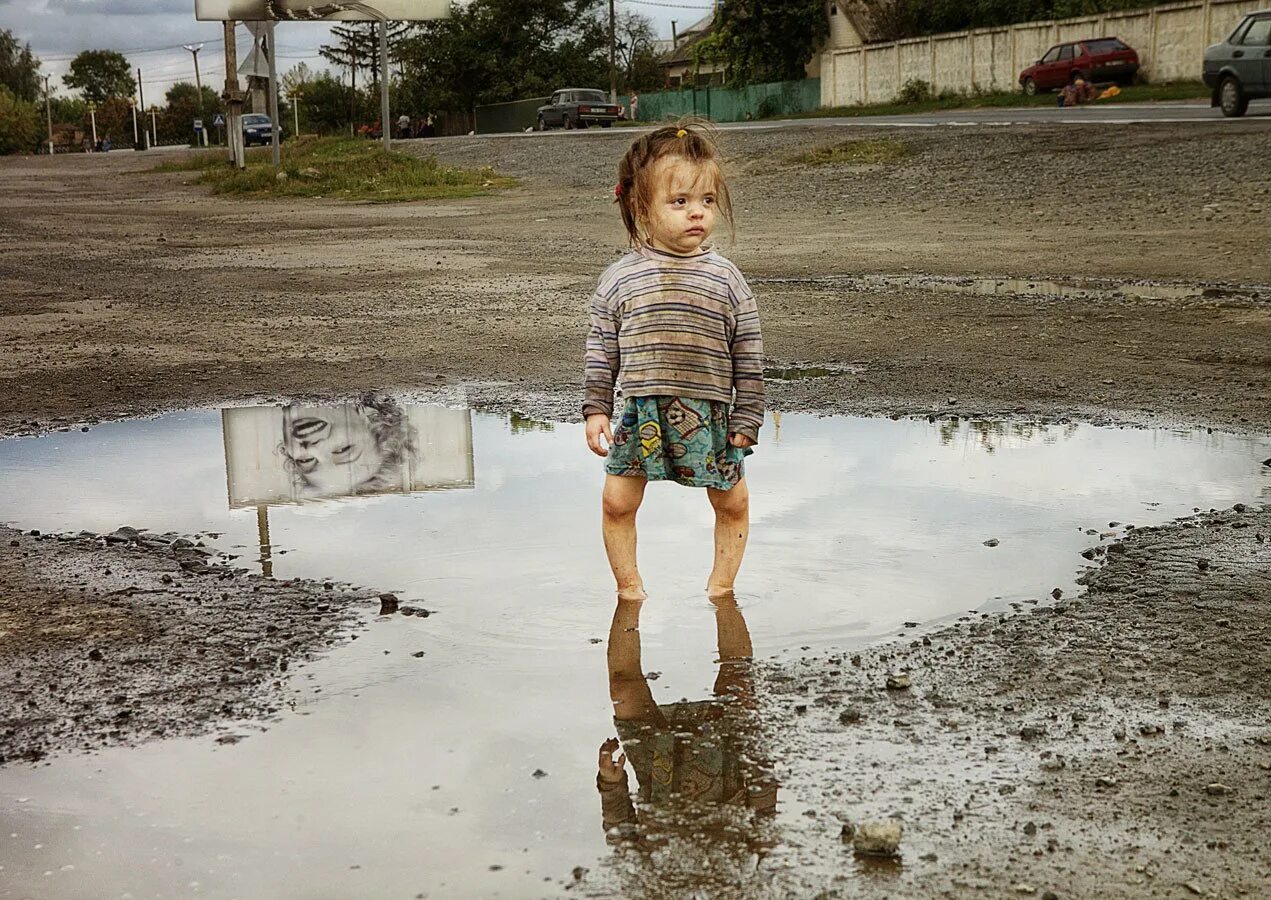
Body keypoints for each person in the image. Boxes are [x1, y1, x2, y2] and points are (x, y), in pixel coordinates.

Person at [583, 121, 763, 602]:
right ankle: (629, 589)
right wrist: (596, 408)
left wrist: (749, 414)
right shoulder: (619, 279)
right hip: (642, 412)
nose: (697, 213)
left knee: (733, 501)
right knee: (617, 502)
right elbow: (601, 349)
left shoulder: (727, 278)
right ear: (641, 207)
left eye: (706, 200)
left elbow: (749, 351)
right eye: (679, 201)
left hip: (711, 413)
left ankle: (721, 587)